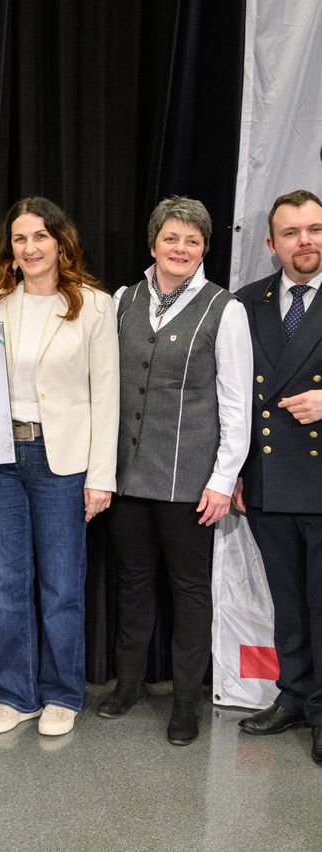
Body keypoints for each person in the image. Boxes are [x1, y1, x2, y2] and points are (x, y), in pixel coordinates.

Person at [0, 197, 119, 738]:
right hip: (1, 457)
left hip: (63, 461)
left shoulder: (94, 306)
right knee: (6, 584)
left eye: (40, 237)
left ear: (60, 242)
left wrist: (101, 477)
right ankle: (17, 695)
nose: (30, 248)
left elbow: (108, 396)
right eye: (20, 238)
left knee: (62, 586)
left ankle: (62, 694)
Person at [99, 196, 253, 745]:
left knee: (189, 591)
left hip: (189, 482)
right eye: (172, 238)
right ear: (153, 244)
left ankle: (186, 701)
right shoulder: (123, 299)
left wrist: (220, 478)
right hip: (127, 477)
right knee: (132, 583)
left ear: (204, 249)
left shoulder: (224, 309)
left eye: (192, 240)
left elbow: (235, 404)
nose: (181, 248)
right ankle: (130, 684)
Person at [233, 189, 322, 766]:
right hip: (267, 478)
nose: (305, 241)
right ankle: (294, 695)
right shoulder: (247, 302)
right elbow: (234, 397)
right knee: (288, 600)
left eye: (314, 229)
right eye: (291, 232)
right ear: (272, 244)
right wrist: (235, 472)